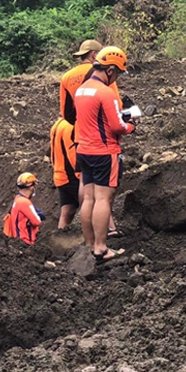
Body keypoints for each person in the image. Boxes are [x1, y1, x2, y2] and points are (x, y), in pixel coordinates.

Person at [74, 46, 133, 262]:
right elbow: (117, 126)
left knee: (88, 198)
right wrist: (131, 126)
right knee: (103, 199)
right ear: (109, 71)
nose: (116, 78)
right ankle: (101, 247)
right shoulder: (106, 93)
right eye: (116, 73)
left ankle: (90, 245)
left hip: (84, 151)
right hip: (104, 152)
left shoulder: (81, 89)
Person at [49, 117, 80, 229]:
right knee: (91, 204)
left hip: (59, 174)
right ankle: (93, 239)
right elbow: (73, 155)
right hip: (71, 175)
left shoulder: (59, 123)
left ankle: (59, 239)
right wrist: (82, 175)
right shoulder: (71, 127)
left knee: (67, 211)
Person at [3, 172, 44, 245]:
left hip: (18, 241)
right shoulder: (25, 203)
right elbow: (37, 221)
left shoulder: (18, 199)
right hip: (26, 242)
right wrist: (40, 216)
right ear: (31, 187)